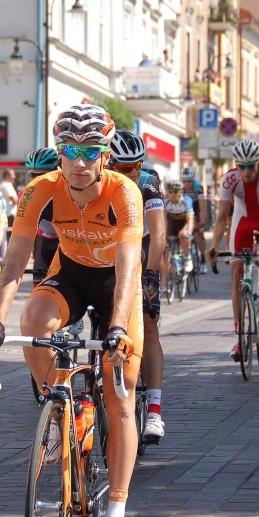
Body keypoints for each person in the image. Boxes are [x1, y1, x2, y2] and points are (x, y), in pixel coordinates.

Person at [0, 103, 143, 517]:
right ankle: (57, 406)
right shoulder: (40, 190)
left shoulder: (124, 193)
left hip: (115, 285)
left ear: (105, 154)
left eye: (91, 151)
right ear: (59, 152)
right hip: (69, 274)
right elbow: (13, 263)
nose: (81, 161)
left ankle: (116, 515)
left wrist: (120, 328)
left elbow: (129, 269)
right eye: (70, 150)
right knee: (33, 319)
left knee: (119, 392)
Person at [109, 129, 167, 442]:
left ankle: (155, 411)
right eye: (122, 168)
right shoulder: (100, 183)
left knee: (149, 325)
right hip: (107, 256)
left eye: (136, 166)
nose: (130, 174)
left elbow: (158, 235)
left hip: (141, 254)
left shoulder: (148, 182)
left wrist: (150, 274)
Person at [206, 139, 259, 361]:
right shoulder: (229, 179)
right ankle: (240, 337)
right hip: (244, 219)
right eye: (242, 166)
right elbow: (221, 217)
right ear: (236, 165)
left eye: (251, 166)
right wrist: (213, 246)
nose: (246, 172)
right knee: (237, 271)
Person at [24, 147, 61, 286]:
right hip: (44, 242)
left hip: (69, 243)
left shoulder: (70, 191)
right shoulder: (27, 196)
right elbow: (24, 232)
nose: (37, 180)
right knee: (39, 289)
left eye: (43, 175)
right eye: (33, 175)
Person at [163, 180, 195, 275]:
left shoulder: (186, 201)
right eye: (170, 192)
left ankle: (187, 256)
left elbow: (190, 220)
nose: (173, 194)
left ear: (181, 192)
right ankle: (168, 276)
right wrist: (163, 235)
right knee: (166, 246)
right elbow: (164, 221)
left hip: (183, 224)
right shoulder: (166, 203)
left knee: (183, 234)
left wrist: (188, 234)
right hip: (172, 225)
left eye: (176, 192)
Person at [180, 166, 208, 273]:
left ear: (193, 180)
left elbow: (202, 206)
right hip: (185, 209)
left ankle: (203, 260)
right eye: (185, 181)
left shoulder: (198, 186)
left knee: (199, 233)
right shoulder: (180, 188)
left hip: (196, 208)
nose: (187, 183)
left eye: (189, 181)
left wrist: (201, 221)